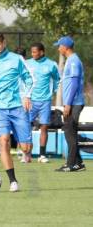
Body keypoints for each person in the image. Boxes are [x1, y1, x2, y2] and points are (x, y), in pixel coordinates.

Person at [0, 32, 34, 192]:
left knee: (26, 148)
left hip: (18, 107)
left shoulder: (17, 59)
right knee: (3, 141)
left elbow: (29, 78)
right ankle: (13, 181)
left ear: (4, 43)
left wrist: (26, 95)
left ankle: (24, 149)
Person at [54, 36, 86, 172]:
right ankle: (78, 163)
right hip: (72, 103)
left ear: (66, 47)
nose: (58, 48)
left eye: (59, 45)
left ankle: (70, 164)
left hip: (73, 103)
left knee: (69, 132)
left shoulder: (73, 61)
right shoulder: (71, 60)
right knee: (70, 131)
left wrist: (68, 104)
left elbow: (73, 83)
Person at [27, 42, 60, 163]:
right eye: (32, 52)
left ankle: (42, 155)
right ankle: (27, 154)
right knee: (26, 127)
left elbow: (57, 79)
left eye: (35, 52)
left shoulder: (51, 64)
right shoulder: (28, 64)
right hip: (30, 100)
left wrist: (53, 92)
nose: (33, 54)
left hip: (45, 101)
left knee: (44, 127)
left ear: (42, 52)